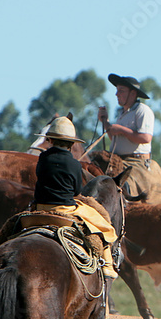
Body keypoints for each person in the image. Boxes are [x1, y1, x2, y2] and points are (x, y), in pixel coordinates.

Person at [33, 116, 119, 282]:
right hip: (65, 210)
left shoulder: (42, 158)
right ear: (72, 144)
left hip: (39, 207)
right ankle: (108, 266)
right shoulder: (74, 164)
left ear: (50, 140)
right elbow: (77, 191)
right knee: (105, 226)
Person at [98, 73, 161, 204]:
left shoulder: (143, 111)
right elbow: (115, 140)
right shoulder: (123, 113)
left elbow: (145, 137)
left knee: (126, 186)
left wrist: (121, 129)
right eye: (117, 91)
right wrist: (105, 122)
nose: (117, 94)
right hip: (118, 160)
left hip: (137, 163)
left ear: (133, 94)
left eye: (121, 91)